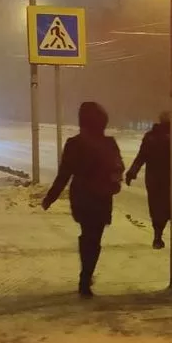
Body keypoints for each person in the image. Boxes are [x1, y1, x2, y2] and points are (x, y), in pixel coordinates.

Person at [42, 102, 124, 299]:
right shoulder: (109, 143)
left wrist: (51, 197)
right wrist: (114, 182)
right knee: (95, 237)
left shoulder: (74, 143)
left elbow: (64, 173)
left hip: (81, 195)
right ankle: (86, 276)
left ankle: (85, 276)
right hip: (102, 196)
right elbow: (118, 167)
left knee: (87, 233)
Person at [126, 111, 172, 249]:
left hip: (154, 179)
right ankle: (168, 237)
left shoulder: (151, 136)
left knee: (156, 208)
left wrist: (132, 172)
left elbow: (141, 156)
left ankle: (158, 236)